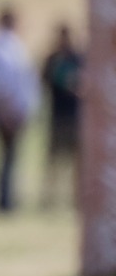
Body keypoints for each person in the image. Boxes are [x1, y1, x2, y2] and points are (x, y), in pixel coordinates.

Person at [0, 8, 37, 213]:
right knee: (7, 157)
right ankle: (4, 201)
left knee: (11, 157)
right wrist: (5, 112)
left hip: (16, 111)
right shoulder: (0, 47)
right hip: (8, 111)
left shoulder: (13, 45)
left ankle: (8, 198)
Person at [43, 24, 82, 209]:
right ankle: (50, 199)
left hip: (74, 116)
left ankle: (77, 198)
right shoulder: (53, 59)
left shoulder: (78, 58)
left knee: (77, 162)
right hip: (57, 116)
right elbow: (44, 80)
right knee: (54, 161)